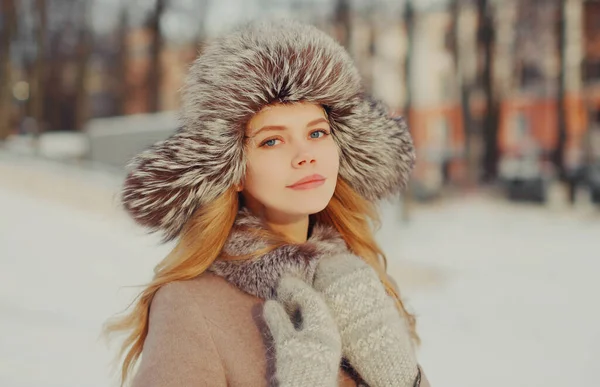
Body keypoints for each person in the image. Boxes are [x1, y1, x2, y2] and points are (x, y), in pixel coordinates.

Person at [105, 19, 430, 387]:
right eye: (272, 141)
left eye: (317, 132)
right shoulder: (188, 306)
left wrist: (399, 375)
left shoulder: (359, 277)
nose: (305, 154)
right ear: (235, 169)